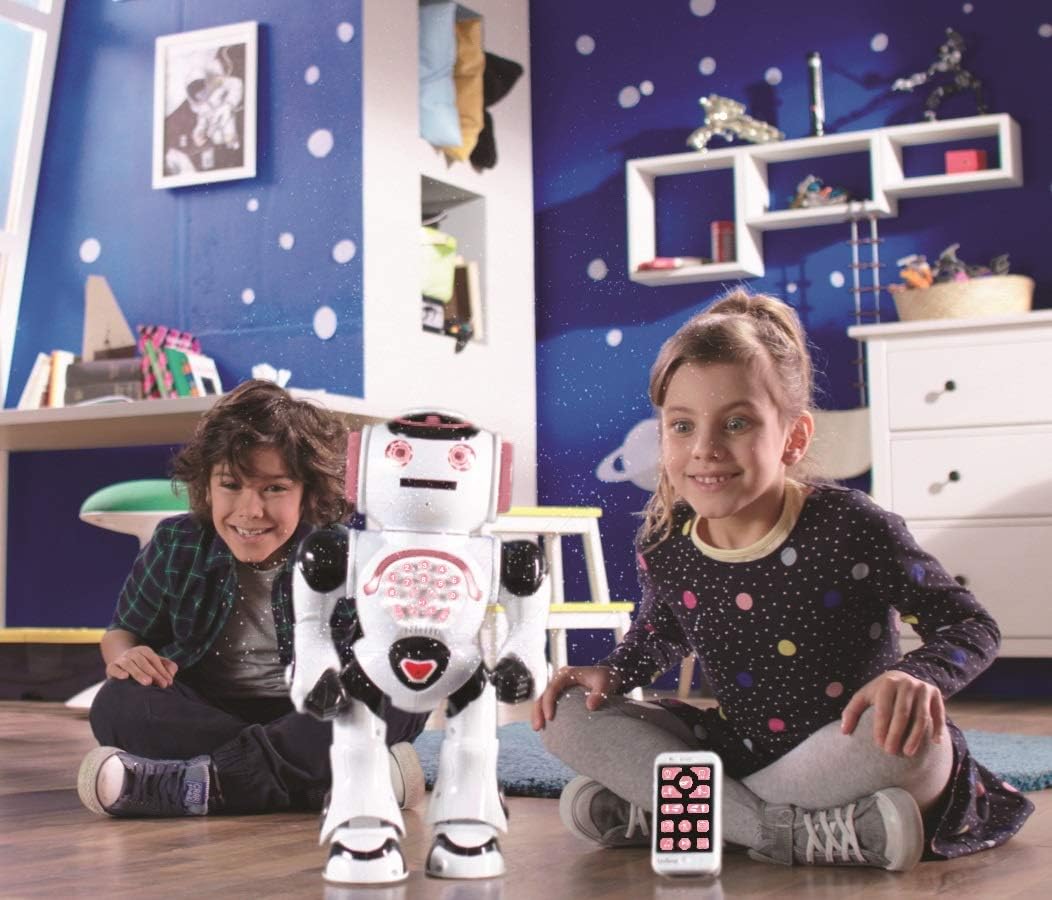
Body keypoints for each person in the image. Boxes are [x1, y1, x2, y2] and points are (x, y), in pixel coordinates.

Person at [533, 290, 1033, 870]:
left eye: (737, 422)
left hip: (847, 749)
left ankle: (687, 813)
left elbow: (970, 623)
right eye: (681, 426)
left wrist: (916, 675)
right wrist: (613, 672)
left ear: (793, 437)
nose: (706, 449)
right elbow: (659, 634)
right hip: (740, 747)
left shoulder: (851, 525)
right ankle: (789, 833)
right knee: (565, 713)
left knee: (919, 743)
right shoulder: (666, 542)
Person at [78, 380, 430, 818]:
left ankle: (198, 783)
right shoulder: (176, 542)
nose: (250, 510)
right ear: (206, 486)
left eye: (275, 489)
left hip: (311, 711)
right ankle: (328, 781)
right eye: (231, 485)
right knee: (118, 703)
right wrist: (129, 657)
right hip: (209, 709)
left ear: (309, 493)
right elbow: (122, 632)